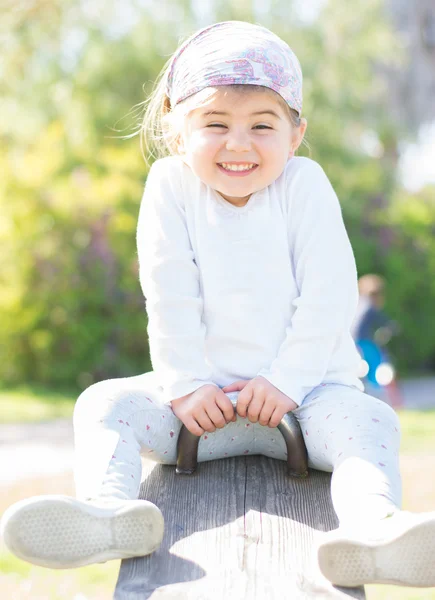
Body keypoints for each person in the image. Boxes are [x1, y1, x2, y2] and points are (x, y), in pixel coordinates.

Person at [1, 21, 434, 588]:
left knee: (371, 421)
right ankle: (109, 513)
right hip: (200, 414)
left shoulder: (304, 185)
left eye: (262, 125)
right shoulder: (169, 188)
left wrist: (286, 382)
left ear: (295, 133)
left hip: (308, 404)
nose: (238, 143)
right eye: (215, 124)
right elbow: (169, 292)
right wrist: (183, 384)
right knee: (102, 404)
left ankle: (373, 528)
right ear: (178, 130)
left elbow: (329, 293)